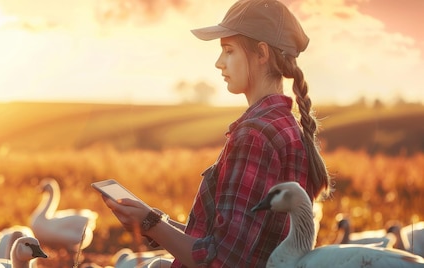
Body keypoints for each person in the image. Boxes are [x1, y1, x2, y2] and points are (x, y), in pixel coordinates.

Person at [99, 0, 334, 267]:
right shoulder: (285, 125)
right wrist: (153, 220)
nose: (219, 63)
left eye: (228, 51)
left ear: (261, 53)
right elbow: (230, 240)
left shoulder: (254, 136)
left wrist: (149, 223)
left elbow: (221, 260)